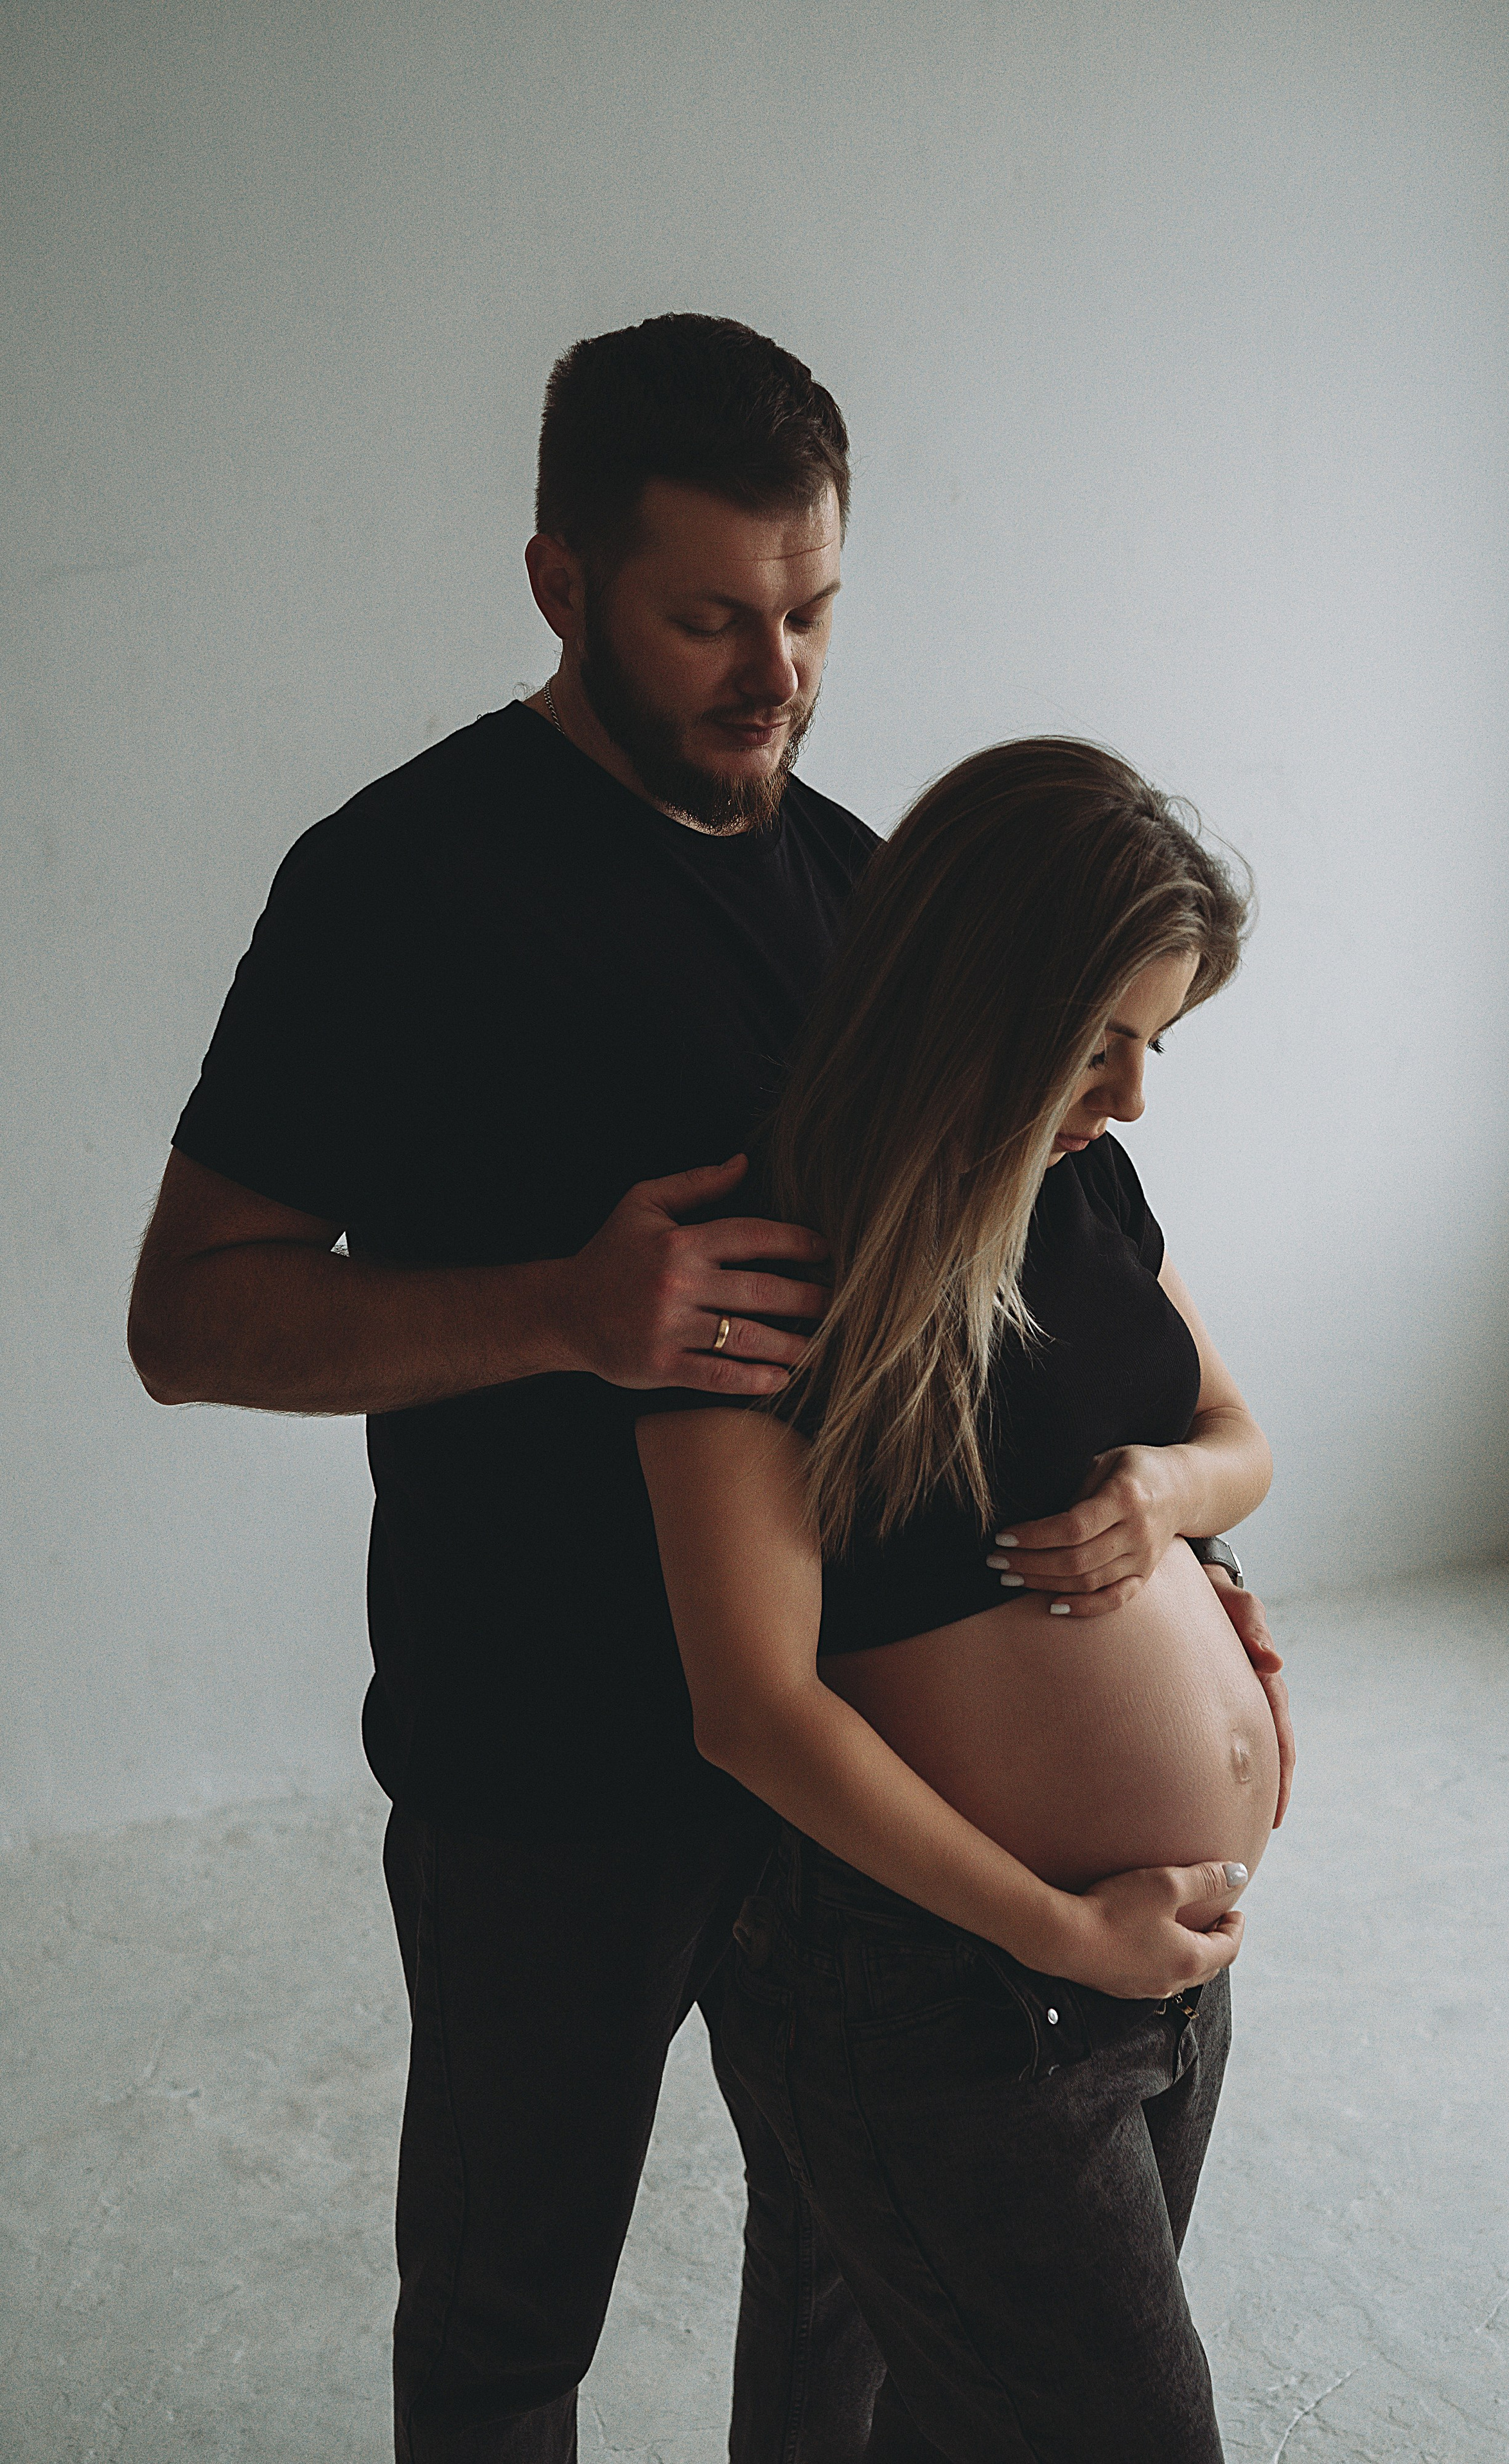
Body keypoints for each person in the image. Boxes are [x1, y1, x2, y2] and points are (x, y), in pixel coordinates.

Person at [125, 313, 1288, 2460]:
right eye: (711, 619)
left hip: (855, 1770)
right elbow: (187, 1319)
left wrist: (1155, 1544)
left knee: (853, 2301)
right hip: (549, 1753)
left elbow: (1014, 1281)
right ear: (562, 582)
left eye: (817, 609)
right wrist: (568, 1310)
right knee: (510, 2303)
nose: (779, 674)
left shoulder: (865, 890)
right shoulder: (396, 884)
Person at [633, 737, 1288, 2461]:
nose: (1134, 1093)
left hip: (1162, 1963)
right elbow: (752, 1705)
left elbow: (1235, 1438)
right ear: (980, 990)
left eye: (1159, 1041)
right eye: (1100, 1039)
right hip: (956, 1988)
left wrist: (1169, 1515)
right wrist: (1063, 1931)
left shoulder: (1082, 1185)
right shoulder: (773, 1258)